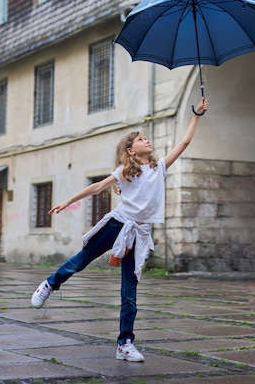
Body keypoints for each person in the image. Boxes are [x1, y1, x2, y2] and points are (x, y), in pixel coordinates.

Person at [31, 97, 209, 362]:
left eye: (146, 138)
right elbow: (97, 187)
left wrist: (196, 115)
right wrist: (68, 201)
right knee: (82, 260)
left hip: (139, 233)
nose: (146, 141)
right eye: (140, 139)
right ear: (130, 150)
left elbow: (183, 143)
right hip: (117, 225)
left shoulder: (159, 168)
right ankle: (49, 284)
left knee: (130, 291)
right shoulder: (126, 171)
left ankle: (125, 344)